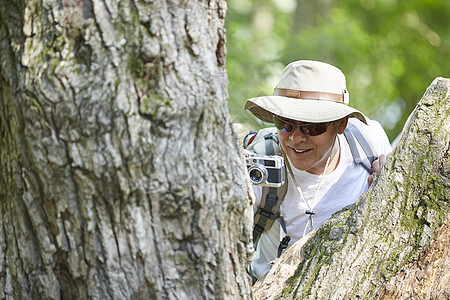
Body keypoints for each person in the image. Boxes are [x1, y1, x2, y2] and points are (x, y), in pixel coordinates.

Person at [244, 60, 392, 280]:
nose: (296, 138)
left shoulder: (368, 143)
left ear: (341, 125)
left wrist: (388, 180)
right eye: (284, 123)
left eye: (312, 127)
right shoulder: (262, 164)